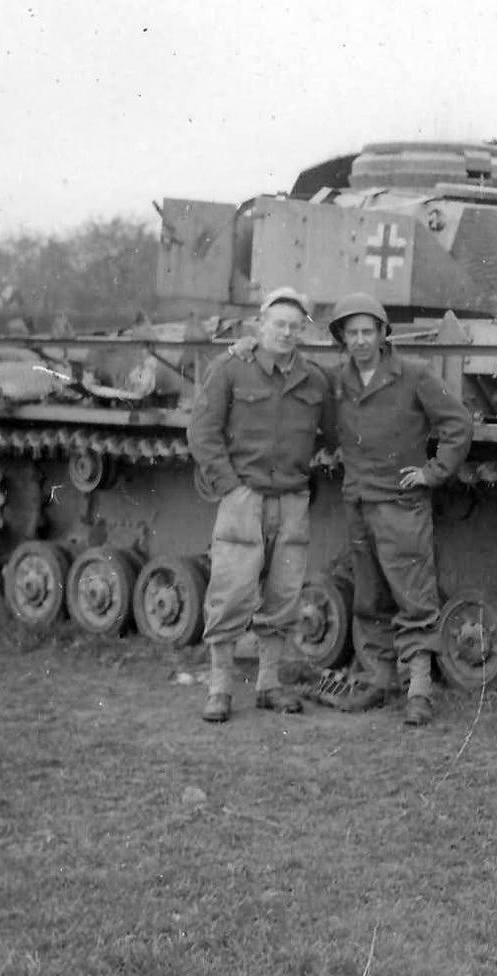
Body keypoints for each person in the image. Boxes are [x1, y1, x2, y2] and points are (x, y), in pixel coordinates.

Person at [318, 292, 472, 726]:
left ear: (384, 334)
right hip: (360, 500)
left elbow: (457, 423)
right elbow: (329, 429)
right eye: (353, 333)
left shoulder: (413, 374)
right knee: (369, 595)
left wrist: (434, 471)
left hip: (401, 502)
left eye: (369, 331)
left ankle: (419, 689)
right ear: (342, 339)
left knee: (414, 597)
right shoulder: (336, 380)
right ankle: (376, 680)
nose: (362, 340)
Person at [186, 286, 330, 723]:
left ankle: (269, 684)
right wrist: (230, 485)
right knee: (230, 592)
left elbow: (332, 433)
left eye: (294, 326)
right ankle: (220, 687)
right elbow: (202, 431)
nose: (286, 333)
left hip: (291, 499)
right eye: (278, 324)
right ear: (259, 325)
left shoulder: (315, 380)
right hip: (243, 496)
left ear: (303, 330)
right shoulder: (230, 368)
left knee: (283, 596)